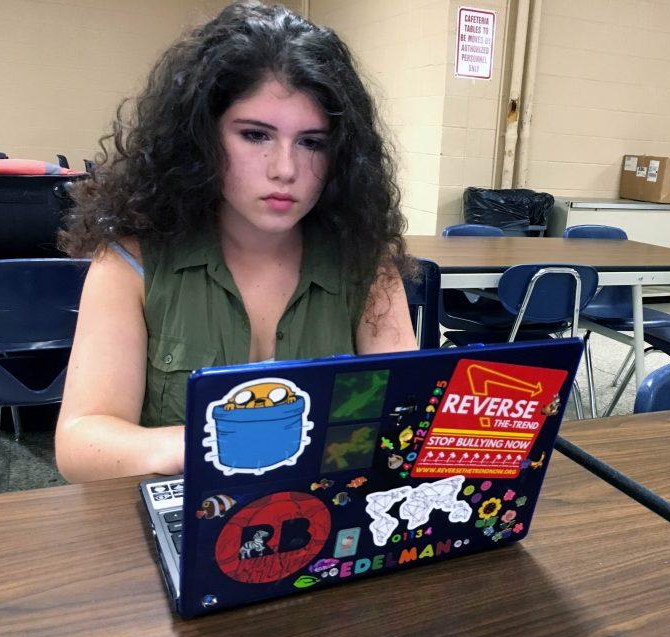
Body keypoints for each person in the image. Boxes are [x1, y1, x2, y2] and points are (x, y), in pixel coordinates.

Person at [55, 1, 417, 483]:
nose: (284, 169)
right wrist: (224, 443)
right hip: (174, 522)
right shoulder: (131, 260)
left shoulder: (365, 262)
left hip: (327, 527)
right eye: (254, 135)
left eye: (312, 142)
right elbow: (80, 444)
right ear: (200, 138)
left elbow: (406, 418)